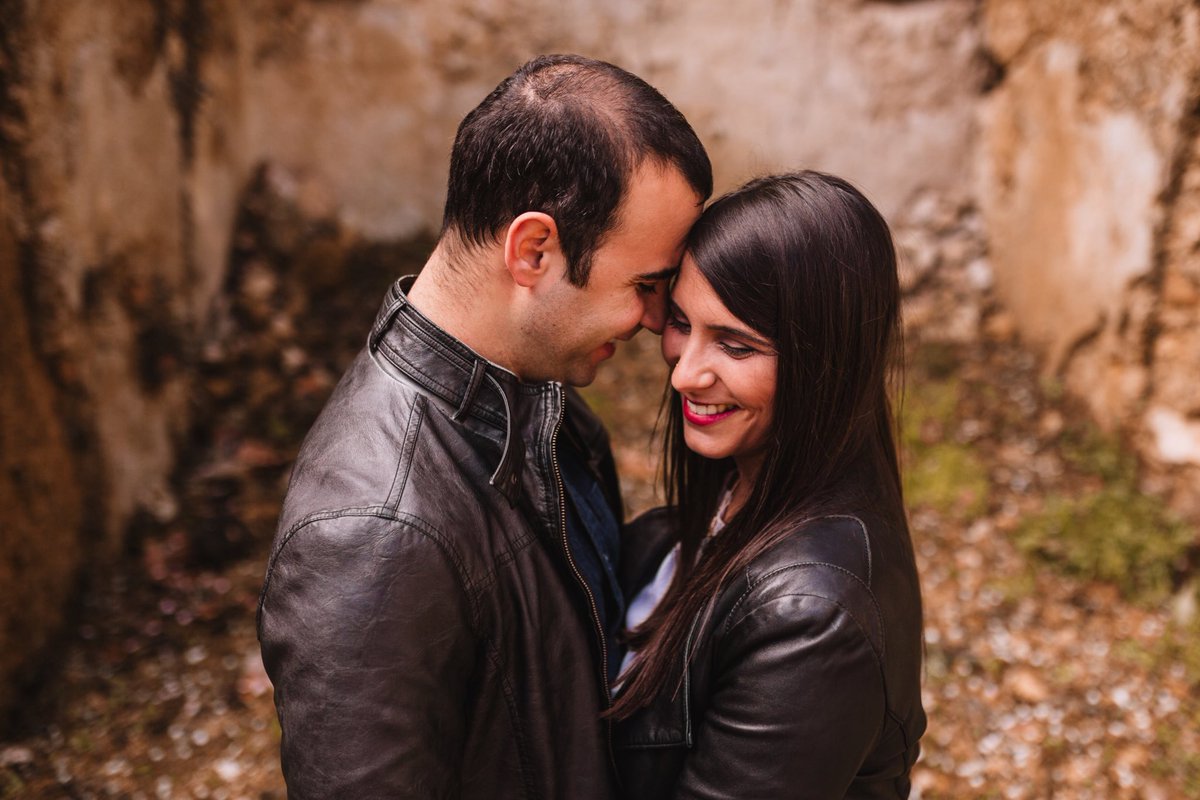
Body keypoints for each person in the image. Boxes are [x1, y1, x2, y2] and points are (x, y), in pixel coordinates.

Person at [257, 54, 711, 798]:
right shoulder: (371, 533)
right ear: (533, 250)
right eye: (645, 285)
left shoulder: (540, 404)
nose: (658, 322)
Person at [610, 171, 926, 798]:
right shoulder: (743, 488)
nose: (685, 374)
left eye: (734, 344)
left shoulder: (812, 616)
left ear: (823, 364)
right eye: (681, 322)